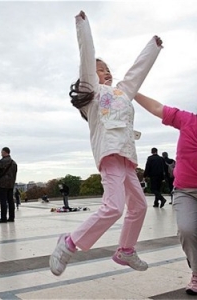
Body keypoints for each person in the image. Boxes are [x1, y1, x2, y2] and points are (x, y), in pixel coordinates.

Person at [49, 10, 163, 277]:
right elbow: (86, 58)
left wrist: (153, 48)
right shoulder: (93, 94)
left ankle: (125, 250)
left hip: (126, 157)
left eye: (108, 69)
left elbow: (137, 72)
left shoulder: (122, 92)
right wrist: (82, 25)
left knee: (139, 205)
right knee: (113, 206)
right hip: (110, 155)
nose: (106, 72)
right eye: (101, 70)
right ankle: (69, 242)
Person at [134, 92, 197, 295]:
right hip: (185, 191)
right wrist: (132, 89)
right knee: (187, 230)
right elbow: (156, 108)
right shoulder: (188, 120)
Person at [0, 147, 18, 223]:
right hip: (11, 184)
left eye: (1, 152)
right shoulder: (14, 163)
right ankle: (11, 217)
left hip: (2, 184)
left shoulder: (0, 162)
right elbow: (14, 174)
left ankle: (3, 218)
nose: (1, 153)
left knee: (3, 201)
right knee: (11, 201)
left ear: (4, 152)